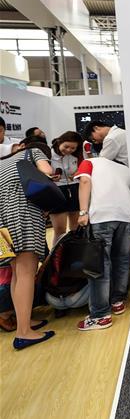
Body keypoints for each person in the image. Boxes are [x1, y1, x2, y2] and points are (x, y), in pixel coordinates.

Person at [0, 137, 55, 350]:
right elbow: (47, 172)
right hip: (22, 215)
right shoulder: (33, 153)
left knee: (16, 272)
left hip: (2, 222)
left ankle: (24, 322)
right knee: (25, 273)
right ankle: (24, 332)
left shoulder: (4, 161)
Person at [73, 156, 130, 330]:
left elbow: (85, 181)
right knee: (121, 260)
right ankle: (117, 302)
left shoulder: (90, 162)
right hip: (125, 216)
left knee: (99, 265)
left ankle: (100, 315)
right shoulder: (124, 168)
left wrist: (83, 212)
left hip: (101, 216)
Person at [49, 132, 84, 243]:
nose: (69, 150)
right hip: (56, 190)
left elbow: (83, 168)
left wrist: (77, 173)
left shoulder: (77, 155)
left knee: (75, 228)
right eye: (66, 146)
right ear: (59, 142)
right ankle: (56, 253)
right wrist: (50, 177)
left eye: (73, 148)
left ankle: (74, 252)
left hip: (74, 188)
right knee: (60, 230)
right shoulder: (48, 154)